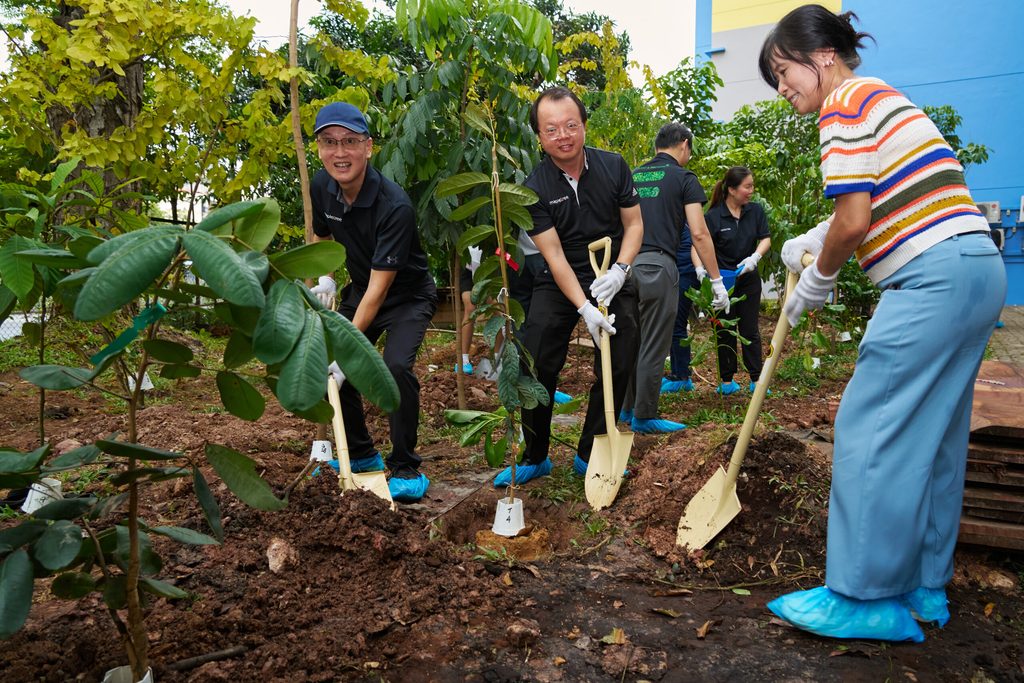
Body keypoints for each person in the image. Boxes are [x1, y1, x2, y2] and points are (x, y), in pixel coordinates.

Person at [759, 5, 1005, 642]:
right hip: (978, 268)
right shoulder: (885, 98)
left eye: (784, 72)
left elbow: (855, 221)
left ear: (821, 58)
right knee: (937, 435)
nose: (782, 88)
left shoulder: (841, 103)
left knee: (870, 427)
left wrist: (818, 279)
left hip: (931, 279)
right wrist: (811, 238)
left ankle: (864, 596)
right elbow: (891, 194)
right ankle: (925, 586)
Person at [493, 86, 641, 487]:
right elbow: (554, 256)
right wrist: (585, 308)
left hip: (610, 270)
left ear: (584, 126)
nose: (563, 135)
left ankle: (591, 449)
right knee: (537, 357)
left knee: (621, 353)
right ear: (540, 137)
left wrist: (621, 270)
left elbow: (634, 225)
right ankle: (536, 453)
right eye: (552, 128)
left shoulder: (614, 167)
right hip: (557, 279)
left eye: (571, 125)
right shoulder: (534, 186)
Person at [309, 101, 437, 503]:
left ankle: (405, 466)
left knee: (394, 367)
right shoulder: (321, 186)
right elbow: (321, 235)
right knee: (327, 357)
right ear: (319, 149)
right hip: (361, 288)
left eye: (350, 141)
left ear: (369, 147)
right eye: (330, 142)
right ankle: (362, 454)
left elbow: (380, 292)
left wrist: (350, 350)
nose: (340, 152)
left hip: (407, 296)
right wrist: (326, 275)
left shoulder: (394, 205)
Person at [623, 123, 729, 432]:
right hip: (659, 266)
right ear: (683, 145)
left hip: (624, 267)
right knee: (655, 344)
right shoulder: (684, 178)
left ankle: (625, 411)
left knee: (631, 341)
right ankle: (644, 415)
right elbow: (698, 232)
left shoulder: (631, 175)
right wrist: (716, 279)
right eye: (690, 150)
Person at [695, 166, 771, 395]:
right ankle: (726, 381)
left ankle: (756, 379)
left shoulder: (755, 211)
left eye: (752, 185)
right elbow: (697, 245)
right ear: (731, 189)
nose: (751, 190)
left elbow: (765, 238)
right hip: (723, 281)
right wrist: (700, 270)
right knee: (724, 329)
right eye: (747, 186)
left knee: (749, 329)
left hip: (747, 278)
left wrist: (755, 257)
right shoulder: (714, 216)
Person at [456, 246, 482, 375]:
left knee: (497, 308)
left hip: (490, 264)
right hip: (468, 264)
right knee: (470, 308)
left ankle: (497, 357)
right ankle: (463, 359)